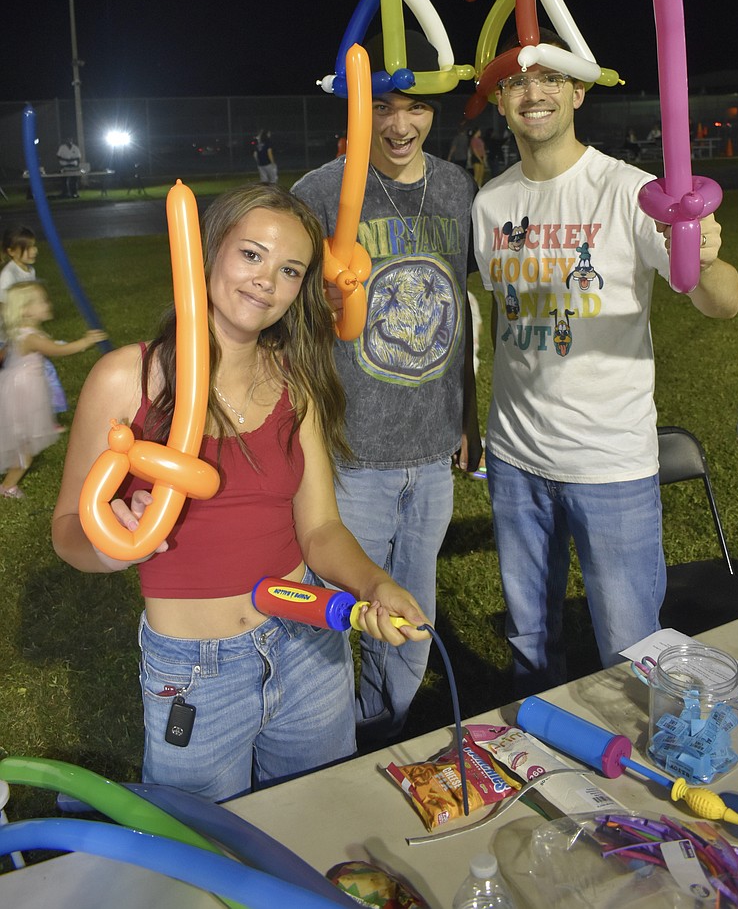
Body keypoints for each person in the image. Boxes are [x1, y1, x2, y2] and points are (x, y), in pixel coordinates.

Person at [52, 183, 427, 801]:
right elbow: (68, 529)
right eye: (251, 255)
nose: (266, 282)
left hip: (307, 644)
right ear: (209, 253)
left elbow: (320, 528)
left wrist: (374, 582)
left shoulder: (295, 382)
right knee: (209, 843)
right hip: (194, 674)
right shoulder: (127, 378)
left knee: (317, 818)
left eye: (290, 270)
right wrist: (112, 544)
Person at [471, 44, 738, 696]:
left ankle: (637, 755)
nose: (535, 94)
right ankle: (541, 740)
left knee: (631, 646)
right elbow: (507, 317)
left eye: (551, 79)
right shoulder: (490, 203)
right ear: (500, 101)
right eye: (518, 83)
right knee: (530, 642)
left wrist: (705, 259)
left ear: (578, 92)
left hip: (610, 464)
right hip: (515, 460)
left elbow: (723, 301)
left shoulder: (630, 192)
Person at [293, 88, 482, 750]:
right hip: (351, 454)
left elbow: (460, 306)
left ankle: (380, 732)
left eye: (417, 107)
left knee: (409, 624)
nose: (400, 125)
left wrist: (468, 415)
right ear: (357, 109)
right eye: (382, 107)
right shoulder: (320, 193)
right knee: (331, 624)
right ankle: (320, 747)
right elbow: (285, 317)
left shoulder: (456, 188)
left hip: (432, 454)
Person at [0, 282, 106, 498]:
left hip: (17, 386)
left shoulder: (20, 331)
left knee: (17, 434)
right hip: (24, 391)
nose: (48, 304)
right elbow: (59, 350)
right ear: (26, 310)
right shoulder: (31, 337)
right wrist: (86, 341)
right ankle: (8, 487)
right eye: (42, 301)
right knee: (25, 445)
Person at [0, 225, 68, 415]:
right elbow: (4, 308)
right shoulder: (7, 276)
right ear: (11, 251)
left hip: (21, 334)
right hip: (9, 334)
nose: (34, 251)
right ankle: (45, 411)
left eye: (34, 246)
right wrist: (15, 335)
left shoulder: (29, 271)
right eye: (28, 247)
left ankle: (39, 411)